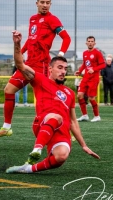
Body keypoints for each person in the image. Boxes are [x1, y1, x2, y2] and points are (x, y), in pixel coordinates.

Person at [6, 30, 99, 174]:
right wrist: (17, 44)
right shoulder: (40, 80)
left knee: (61, 157)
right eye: (59, 68)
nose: (63, 72)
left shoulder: (69, 93)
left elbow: (73, 122)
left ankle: (29, 169)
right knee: (55, 116)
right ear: (50, 69)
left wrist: (84, 145)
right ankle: (37, 149)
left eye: (65, 69)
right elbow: (20, 65)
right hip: (43, 123)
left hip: (61, 132)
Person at [0, 0, 71, 138]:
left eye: (48, 2)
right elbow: (30, 39)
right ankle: (6, 127)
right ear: (37, 3)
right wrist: (20, 53)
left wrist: (60, 54)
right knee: (8, 90)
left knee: (48, 99)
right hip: (28, 64)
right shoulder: (33, 19)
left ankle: (64, 128)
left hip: (42, 65)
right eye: (42, 2)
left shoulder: (53, 20)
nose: (45, 5)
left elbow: (67, 38)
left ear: (50, 4)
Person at [75, 36, 106, 122]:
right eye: (89, 41)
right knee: (79, 95)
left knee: (91, 98)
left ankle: (97, 116)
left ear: (94, 43)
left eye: (92, 41)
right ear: (86, 43)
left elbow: (103, 65)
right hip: (85, 78)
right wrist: (79, 71)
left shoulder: (97, 53)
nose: (90, 43)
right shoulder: (85, 53)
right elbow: (85, 64)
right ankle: (84, 115)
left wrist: (94, 69)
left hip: (93, 79)